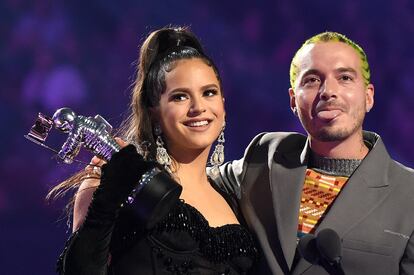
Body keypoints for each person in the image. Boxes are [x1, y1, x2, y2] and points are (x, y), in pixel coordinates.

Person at [54, 27, 258, 274]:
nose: (198, 107)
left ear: (223, 106)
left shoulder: (234, 198)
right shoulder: (115, 182)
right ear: (154, 112)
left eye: (209, 93)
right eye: (180, 97)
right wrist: (111, 190)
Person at [213, 32, 414, 274]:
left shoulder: (408, 192)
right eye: (312, 80)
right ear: (292, 101)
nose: (328, 91)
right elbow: (191, 181)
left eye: (345, 78)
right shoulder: (267, 155)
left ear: (368, 96)